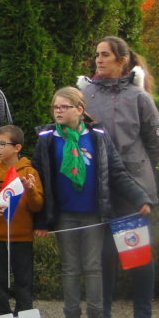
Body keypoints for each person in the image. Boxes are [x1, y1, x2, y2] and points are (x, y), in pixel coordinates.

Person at [33, 86, 151, 318]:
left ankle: (96, 313)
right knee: (70, 268)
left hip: (94, 215)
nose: (57, 111)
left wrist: (140, 198)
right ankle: (72, 313)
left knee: (93, 267)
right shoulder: (46, 138)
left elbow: (117, 172)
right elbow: (39, 182)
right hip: (65, 215)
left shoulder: (98, 137)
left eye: (63, 107)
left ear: (79, 110)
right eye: (55, 107)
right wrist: (40, 221)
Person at [77, 36, 159, 318]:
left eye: (105, 55)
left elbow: (153, 144)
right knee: (103, 256)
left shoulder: (140, 98)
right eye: (97, 54)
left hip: (133, 188)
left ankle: (143, 312)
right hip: (98, 187)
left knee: (136, 254)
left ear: (121, 61)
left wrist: (141, 177)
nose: (98, 60)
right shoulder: (85, 96)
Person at [0, 125, 42, 316]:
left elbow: (37, 205)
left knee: (24, 282)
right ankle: (2, 314)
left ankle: (24, 313)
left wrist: (30, 190)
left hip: (22, 238)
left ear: (17, 147)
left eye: (2, 144)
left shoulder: (29, 172)